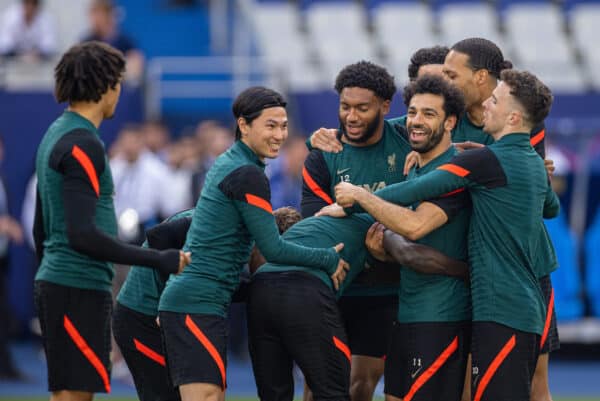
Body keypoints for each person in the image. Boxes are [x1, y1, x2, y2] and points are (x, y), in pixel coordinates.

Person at [321, 69, 559, 401]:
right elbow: (552, 208)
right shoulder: (529, 162)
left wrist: (356, 199)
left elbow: (420, 189)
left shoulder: (485, 161)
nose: (486, 105)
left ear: (514, 116)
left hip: (501, 309)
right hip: (517, 306)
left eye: (494, 100)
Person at [157, 86, 348, 401]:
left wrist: (310, 143)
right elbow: (274, 249)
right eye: (270, 125)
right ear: (244, 125)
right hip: (196, 301)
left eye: (284, 126)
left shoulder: (237, 161)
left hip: (201, 299)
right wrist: (326, 258)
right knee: (206, 397)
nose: (279, 134)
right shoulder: (247, 173)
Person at [33, 41, 190, 401]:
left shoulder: (55, 134)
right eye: (118, 82)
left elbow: (40, 228)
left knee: (67, 394)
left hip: (62, 282)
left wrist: (50, 278)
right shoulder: (83, 143)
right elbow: (83, 234)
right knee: (76, 395)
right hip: (77, 285)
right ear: (105, 85)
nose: (120, 91)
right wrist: (159, 258)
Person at [248, 204, 468, 401]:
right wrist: (467, 271)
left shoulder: (312, 227)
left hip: (259, 291)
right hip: (305, 291)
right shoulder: (377, 224)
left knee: (273, 395)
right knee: (332, 392)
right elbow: (409, 255)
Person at [301, 60, 414, 401]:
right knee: (317, 386)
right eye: (344, 107)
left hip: (383, 289)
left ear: (385, 106)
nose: (351, 116)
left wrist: (353, 208)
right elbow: (317, 224)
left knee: (361, 384)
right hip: (334, 286)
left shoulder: (408, 140)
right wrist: (384, 220)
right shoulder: (323, 154)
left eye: (362, 108)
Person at [361, 75, 472, 401]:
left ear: (450, 121)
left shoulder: (454, 170)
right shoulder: (415, 170)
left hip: (441, 316)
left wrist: (359, 198)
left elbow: (415, 228)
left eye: (428, 113)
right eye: (412, 113)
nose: (416, 122)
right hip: (407, 312)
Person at [82, 0, 144, 83]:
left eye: (98, 15)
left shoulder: (125, 41)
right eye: (93, 15)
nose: (94, 19)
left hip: (121, 88)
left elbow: (135, 67)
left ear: (108, 15)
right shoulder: (86, 42)